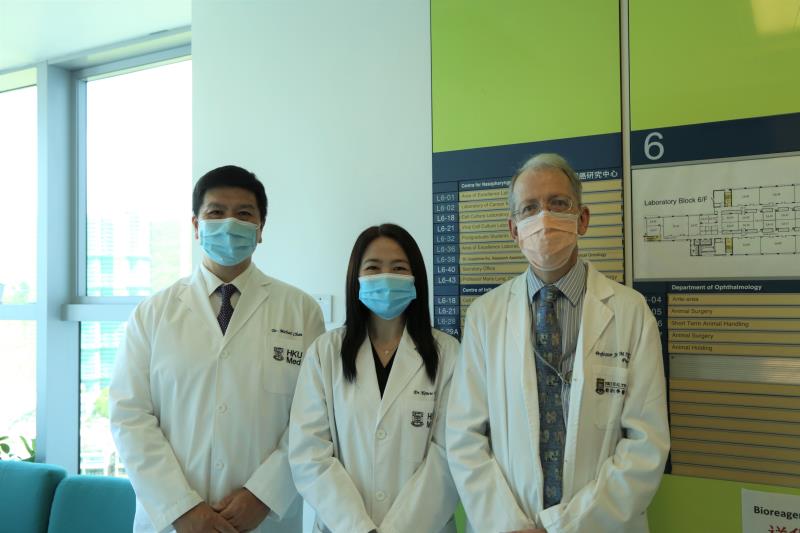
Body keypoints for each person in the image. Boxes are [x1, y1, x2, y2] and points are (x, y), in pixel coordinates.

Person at [446, 153, 670, 533]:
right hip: (507, 523)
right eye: (529, 209)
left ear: (582, 219)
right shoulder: (485, 316)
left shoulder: (631, 312)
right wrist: (508, 523)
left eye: (558, 204)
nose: (544, 219)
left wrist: (570, 524)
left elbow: (646, 444)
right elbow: (464, 437)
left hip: (601, 524)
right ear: (513, 229)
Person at [110, 165, 325, 533]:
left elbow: (313, 421)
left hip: (264, 520)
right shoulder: (153, 314)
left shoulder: (301, 311)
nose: (229, 223)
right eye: (216, 213)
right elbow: (130, 417)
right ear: (196, 226)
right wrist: (183, 508)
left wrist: (262, 496)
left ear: (260, 230)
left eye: (244, 214)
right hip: (171, 521)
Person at [288, 223, 460, 533]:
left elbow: (448, 455)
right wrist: (358, 528)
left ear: (416, 278)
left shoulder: (448, 354)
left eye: (398, 267)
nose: (386, 277)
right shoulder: (325, 353)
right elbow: (309, 452)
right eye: (373, 267)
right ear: (356, 278)